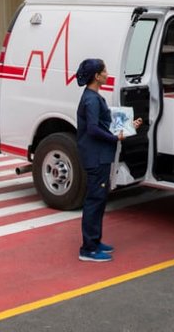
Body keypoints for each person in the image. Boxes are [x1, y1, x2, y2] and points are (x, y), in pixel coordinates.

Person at [75, 58, 141, 262]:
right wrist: (115, 138)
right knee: (95, 200)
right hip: (96, 156)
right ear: (96, 76)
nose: (106, 74)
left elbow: (106, 123)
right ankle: (88, 249)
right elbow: (93, 129)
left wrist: (129, 126)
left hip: (99, 155)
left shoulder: (94, 97)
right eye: (104, 71)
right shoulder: (92, 100)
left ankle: (95, 241)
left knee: (99, 198)